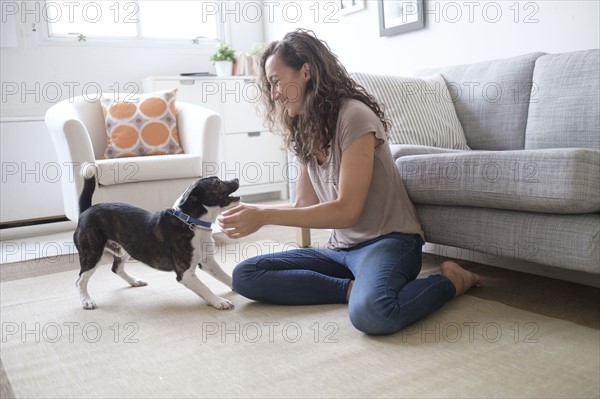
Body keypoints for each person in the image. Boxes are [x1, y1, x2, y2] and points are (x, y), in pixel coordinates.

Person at [217, 29, 481, 335]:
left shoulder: (354, 116)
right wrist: (252, 215)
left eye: (276, 81)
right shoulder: (304, 130)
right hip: (340, 250)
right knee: (246, 274)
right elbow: (304, 206)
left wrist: (264, 215)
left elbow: (347, 210)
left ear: (306, 71)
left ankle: (452, 280)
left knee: (374, 315)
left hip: (389, 242)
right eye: (270, 84)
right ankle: (353, 289)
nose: (274, 93)